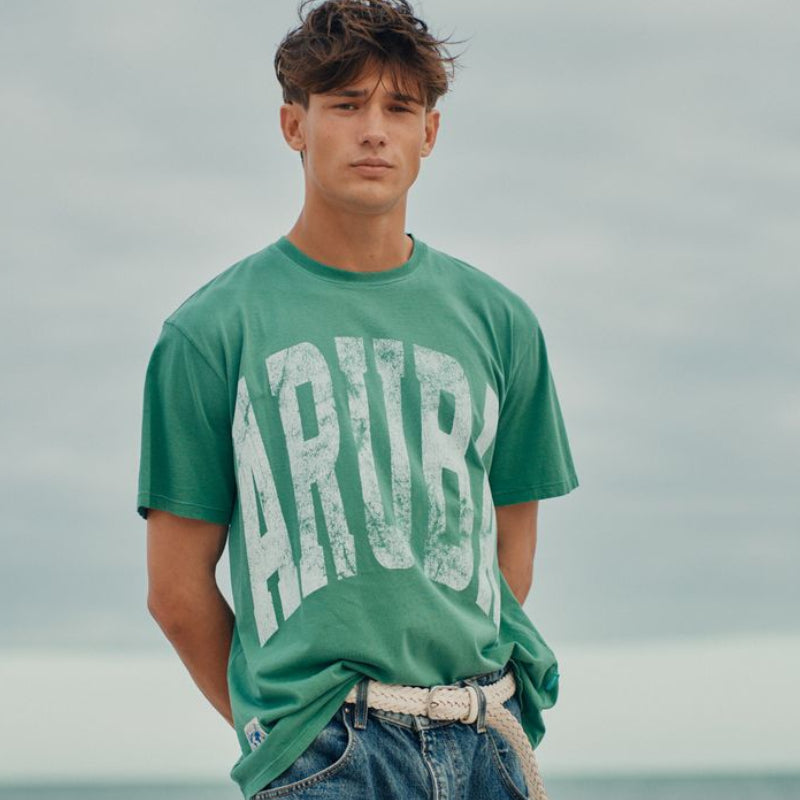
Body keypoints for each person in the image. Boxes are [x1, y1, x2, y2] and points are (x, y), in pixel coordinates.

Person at [137, 1, 579, 798]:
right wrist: (284, 735)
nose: (374, 131)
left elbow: (513, 552)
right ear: (294, 125)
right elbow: (176, 593)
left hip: (486, 738)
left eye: (399, 108)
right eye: (345, 105)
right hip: (326, 750)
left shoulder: (500, 322)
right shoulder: (211, 332)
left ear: (429, 134)